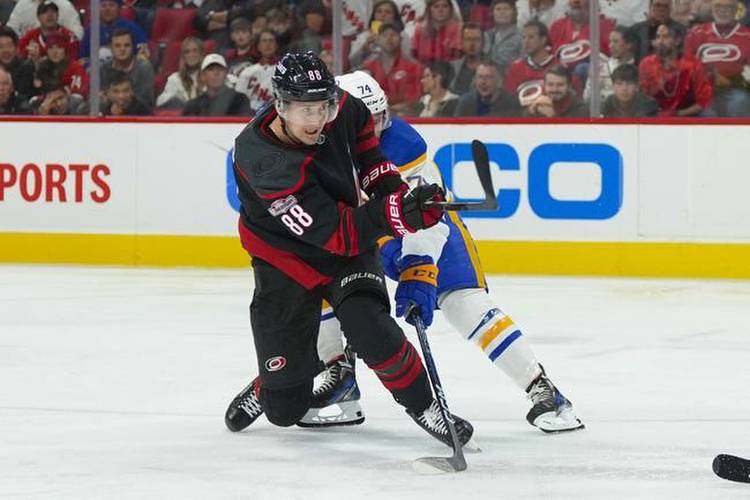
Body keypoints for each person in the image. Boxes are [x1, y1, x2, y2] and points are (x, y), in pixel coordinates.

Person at [225, 68, 584, 434]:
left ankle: (541, 387)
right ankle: (334, 374)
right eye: (371, 117)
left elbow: (422, 215)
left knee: (463, 301)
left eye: (382, 116)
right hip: (359, 227)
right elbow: (329, 225)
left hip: (423, 229)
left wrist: (419, 267)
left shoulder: (404, 145)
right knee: (321, 293)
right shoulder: (315, 137)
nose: (377, 128)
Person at [225, 51, 475, 450]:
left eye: (322, 106)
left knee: (370, 326)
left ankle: (426, 406)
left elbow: (372, 161)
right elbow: (337, 233)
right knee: (285, 409)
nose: (316, 119)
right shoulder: (261, 159)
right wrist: (398, 214)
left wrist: (400, 196)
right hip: (284, 258)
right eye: (304, 110)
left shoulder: (346, 108)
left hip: (344, 245)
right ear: (280, 104)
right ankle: (273, 380)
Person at [684, 0, 750, 116]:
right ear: (712, 8)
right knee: (707, 112)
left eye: (728, 7)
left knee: (740, 101)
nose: (723, 11)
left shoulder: (747, 36)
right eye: (718, 6)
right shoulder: (696, 33)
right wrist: (709, 77)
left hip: (734, 90)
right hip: (703, 89)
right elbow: (686, 65)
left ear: (735, 10)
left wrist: (733, 82)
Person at [639, 22, 713, 116]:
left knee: (709, 114)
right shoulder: (647, 64)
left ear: (677, 41)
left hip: (687, 114)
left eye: (665, 37)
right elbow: (643, 98)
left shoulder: (693, 64)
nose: (660, 41)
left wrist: (678, 114)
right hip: (655, 115)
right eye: (658, 37)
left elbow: (704, 101)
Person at [362, 22, 423, 116]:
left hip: (406, 118)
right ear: (377, 39)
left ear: (401, 39)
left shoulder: (413, 66)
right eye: (385, 35)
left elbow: (414, 101)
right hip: (375, 117)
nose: (389, 39)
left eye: (393, 35)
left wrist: (389, 109)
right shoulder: (368, 66)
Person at [505, 20, 558, 108]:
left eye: (531, 37)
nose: (526, 42)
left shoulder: (558, 66)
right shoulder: (515, 68)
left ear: (543, 39)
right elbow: (510, 100)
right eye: (523, 37)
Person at [182, 53, 250, 116]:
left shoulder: (240, 100)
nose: (216, 73)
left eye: (220, 69)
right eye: (211, 69)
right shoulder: (193, 106)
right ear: (202, 76)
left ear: (226, 74)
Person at [79, 0, 149, 61]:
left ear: (119, 9)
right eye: (103, 5)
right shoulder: (91, 31)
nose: (107, 9)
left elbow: (143, 56)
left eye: (111, 5)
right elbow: (82, 58)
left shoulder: (133, 28)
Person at [101, 28, 155, 106]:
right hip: (108, 113)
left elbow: (146, 100)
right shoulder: (103, 68)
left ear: (132, 47)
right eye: (117, 46)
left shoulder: (144, 68)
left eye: (127, 45)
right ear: (110, 48)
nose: (122, 49)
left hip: (137, 114)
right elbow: (98, 97)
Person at [583, 25, 638, 102]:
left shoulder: (639, 68)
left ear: (629, 44)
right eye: (610, 42)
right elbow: (588, 97)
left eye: (615, 42)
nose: (610, 46)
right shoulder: (600, 68)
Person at [454, 59, 521, 117]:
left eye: (489, 77)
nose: (483, 82)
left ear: (499, 82)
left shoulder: (512, 104)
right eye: (480, 77)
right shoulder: (466, 103)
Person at [234, 28, 279, 115]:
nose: (268, 44)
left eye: (271, 41)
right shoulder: (247, 72)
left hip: (275, 115)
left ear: (276, 45)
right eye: (264, 41)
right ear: (258, 46)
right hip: (249, 117)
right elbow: (238, 99)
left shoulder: (283, 72)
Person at [156, 37, 205, 110]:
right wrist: (175, 97)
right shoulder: (174, 78)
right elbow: (160, 102)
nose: (191, 55)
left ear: (201, 54)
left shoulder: (210, 76)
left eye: (195, 51)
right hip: (183, 117)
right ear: (183, 56)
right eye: (187, 52)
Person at [411, 0, 462, 64]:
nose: (440, 10)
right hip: (424, 70)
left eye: (445, 6)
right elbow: (414, 56)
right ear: (429, 9)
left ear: (450, 9)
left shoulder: (458, 29)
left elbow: (459, 57)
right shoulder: (419, 29)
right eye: (436, 6)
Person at [6, 0, 83, 39]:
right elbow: (10, 32)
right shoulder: (21, 5)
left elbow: (78, 33)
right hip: (28, 58)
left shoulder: (65, 5)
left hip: (59, 57)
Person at [483, 0, 522, 71]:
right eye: (498, 9)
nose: (502, 12)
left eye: (506, 9)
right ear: (492, 13)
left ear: (514, 12)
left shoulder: (522, 35)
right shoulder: (486, 35)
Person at [0, 27, 35, 98]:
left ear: (16, 49)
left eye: (9, 46)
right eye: (1, 47)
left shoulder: (26, 68)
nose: (5, 50)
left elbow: (25, 97)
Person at [450, 22, 483, 95]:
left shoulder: (493, 68)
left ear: (483, 42)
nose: (472, 44)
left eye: (476, 39)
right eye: (468, 39)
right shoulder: (452, 67)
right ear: (461, 42)